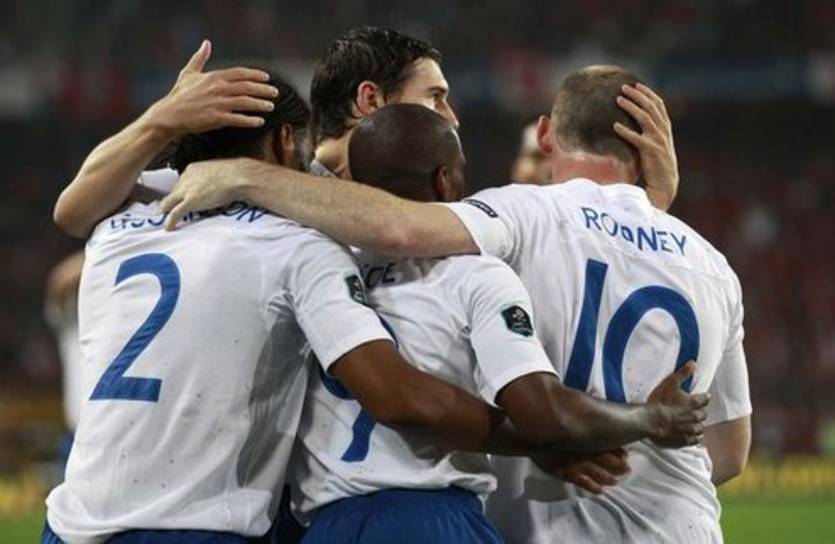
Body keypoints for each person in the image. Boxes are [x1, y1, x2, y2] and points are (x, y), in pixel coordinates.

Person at [161, 66, 751, 543]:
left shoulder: (514, 219)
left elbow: (398, 227)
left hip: (514, 524)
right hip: (680, 524)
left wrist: (244, 175)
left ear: (546, 135)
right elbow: (729, 453)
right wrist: (654, 206)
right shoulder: (713, 266)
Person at [41, 70, 535, 544]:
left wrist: (161, 118)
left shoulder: (117, 221)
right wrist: (540, 439)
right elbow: (393, 395)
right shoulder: (299, 243)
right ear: (283, 141)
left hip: (71, 524)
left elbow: (69, 208)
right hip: (195, 524)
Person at [293, 104, 707, 543]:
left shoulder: (322, 268)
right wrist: (650, 417)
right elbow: (542, 413)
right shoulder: (475, 274)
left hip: (328, 525)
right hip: (435, 519)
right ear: (444, 179)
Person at [52, 27, 677, 238]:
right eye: (435, 97)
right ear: (371, 100)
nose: (452, 118)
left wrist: (649, 207)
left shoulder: (423, 204)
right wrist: (159, 121)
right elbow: (75, 212)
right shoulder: (230, 180)